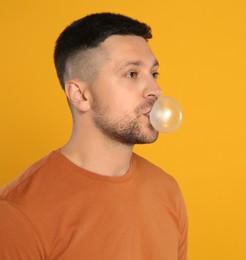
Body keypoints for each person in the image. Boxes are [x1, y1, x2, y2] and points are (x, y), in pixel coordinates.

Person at [0, 13, 188, 260]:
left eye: (154, 74)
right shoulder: (17, 214)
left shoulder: (167, 190)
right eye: (132, 74)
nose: (155, 90)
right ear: (80, 95)